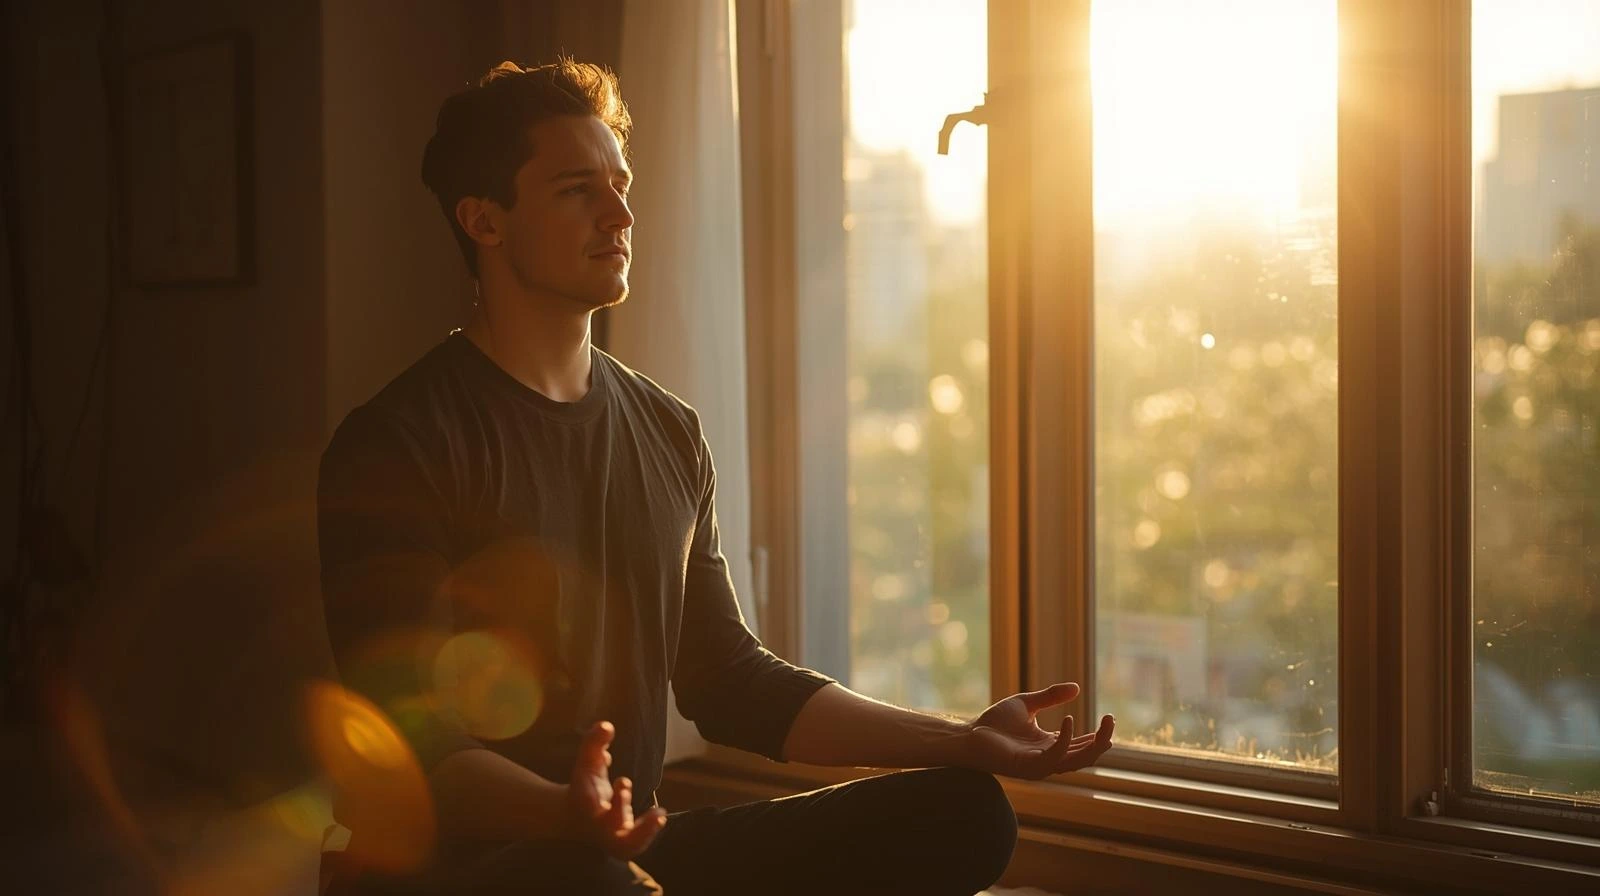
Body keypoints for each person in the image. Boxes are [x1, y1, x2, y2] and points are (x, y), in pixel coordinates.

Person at [316, 58, 1115, 896]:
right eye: (576, 191)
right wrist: (565, 814)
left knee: (966, 812)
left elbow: (730, 681)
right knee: (592, 879)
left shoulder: (668, 428)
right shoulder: (398, 442)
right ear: (485, 221)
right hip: (462, 874)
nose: (621, 214)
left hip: (625, 852)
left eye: (621, 185)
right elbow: (414, 749)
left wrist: (961, 739)